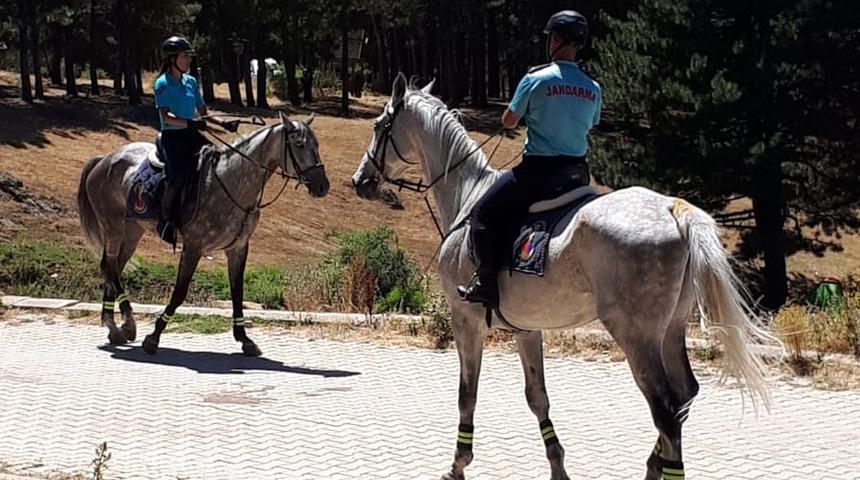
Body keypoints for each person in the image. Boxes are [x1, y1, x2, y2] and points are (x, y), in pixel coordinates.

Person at [457, 10, 602, 308]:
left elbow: (508, 121)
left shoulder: (536, 79)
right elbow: (592, 123)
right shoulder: (593, 88)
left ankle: (487, 286)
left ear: (558, 40)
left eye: (551, 38)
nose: (549, 43)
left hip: (539, 173)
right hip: (577, 174)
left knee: (482, 214)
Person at [154, 35, 240, 244]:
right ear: (172, 58)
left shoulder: (191, 81)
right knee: (177, 178)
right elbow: (165, 116)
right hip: (172, 137)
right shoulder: (162, 83)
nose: (189, 60)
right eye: (185, 56)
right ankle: (166, 221)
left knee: (218, 162)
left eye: (189, 56)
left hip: (190, 134)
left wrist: (223, 123)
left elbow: (203, 112)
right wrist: (190, 123)